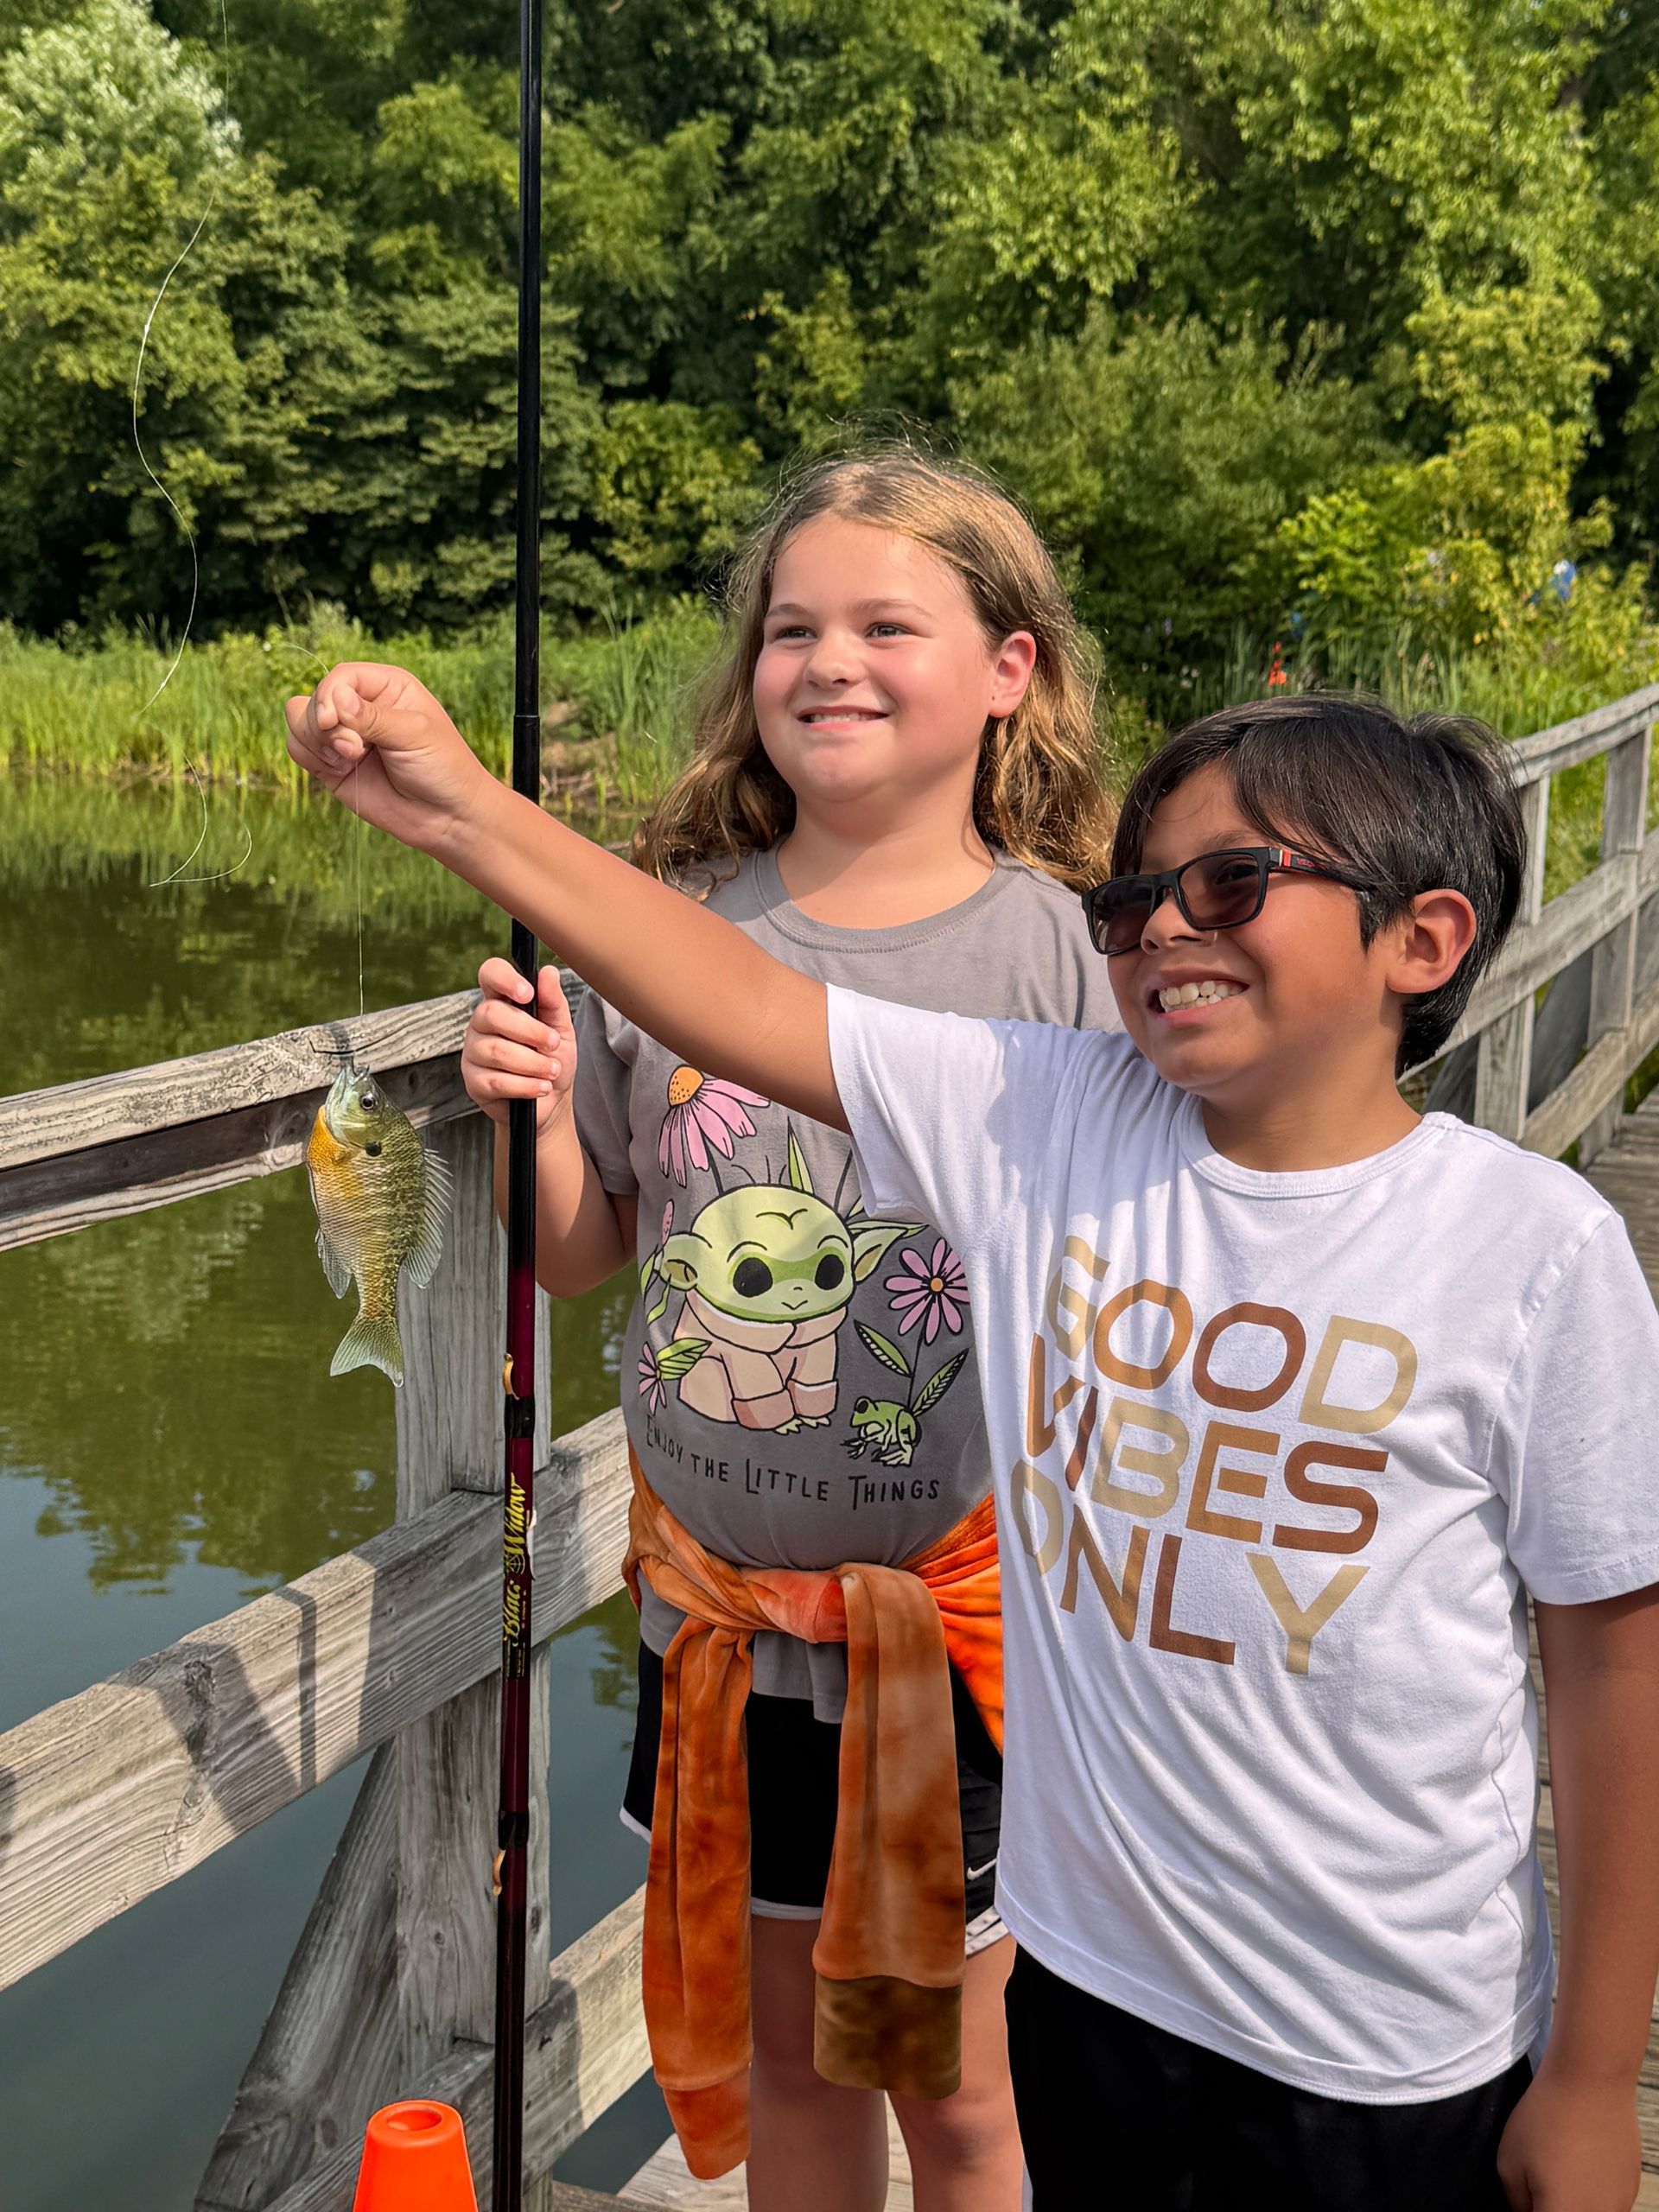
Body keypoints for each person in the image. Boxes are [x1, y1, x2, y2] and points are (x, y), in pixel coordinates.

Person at [287, 664, 1659, 2211]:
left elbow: (1613, 1662)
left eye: (1229, 882)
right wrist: (460, 809)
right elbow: (733, 994)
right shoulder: (1049, 1119)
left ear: (1424, 938)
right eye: (1133, 903)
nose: (1163, 932)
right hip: (1094, 1991)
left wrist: (1597, 2074)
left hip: (1386, 2047)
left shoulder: (1535, 1249)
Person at [453, 450, 1121, 2209]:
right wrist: (533, 1117)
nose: (828, 658)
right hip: (717, 1633)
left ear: (1010, 668)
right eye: (792, 625)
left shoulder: (1073, 961)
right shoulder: (655, 937)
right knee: (789, 2076)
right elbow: (588, 1253)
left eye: (888, 622)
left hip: (966, 1646)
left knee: (959, 2092)